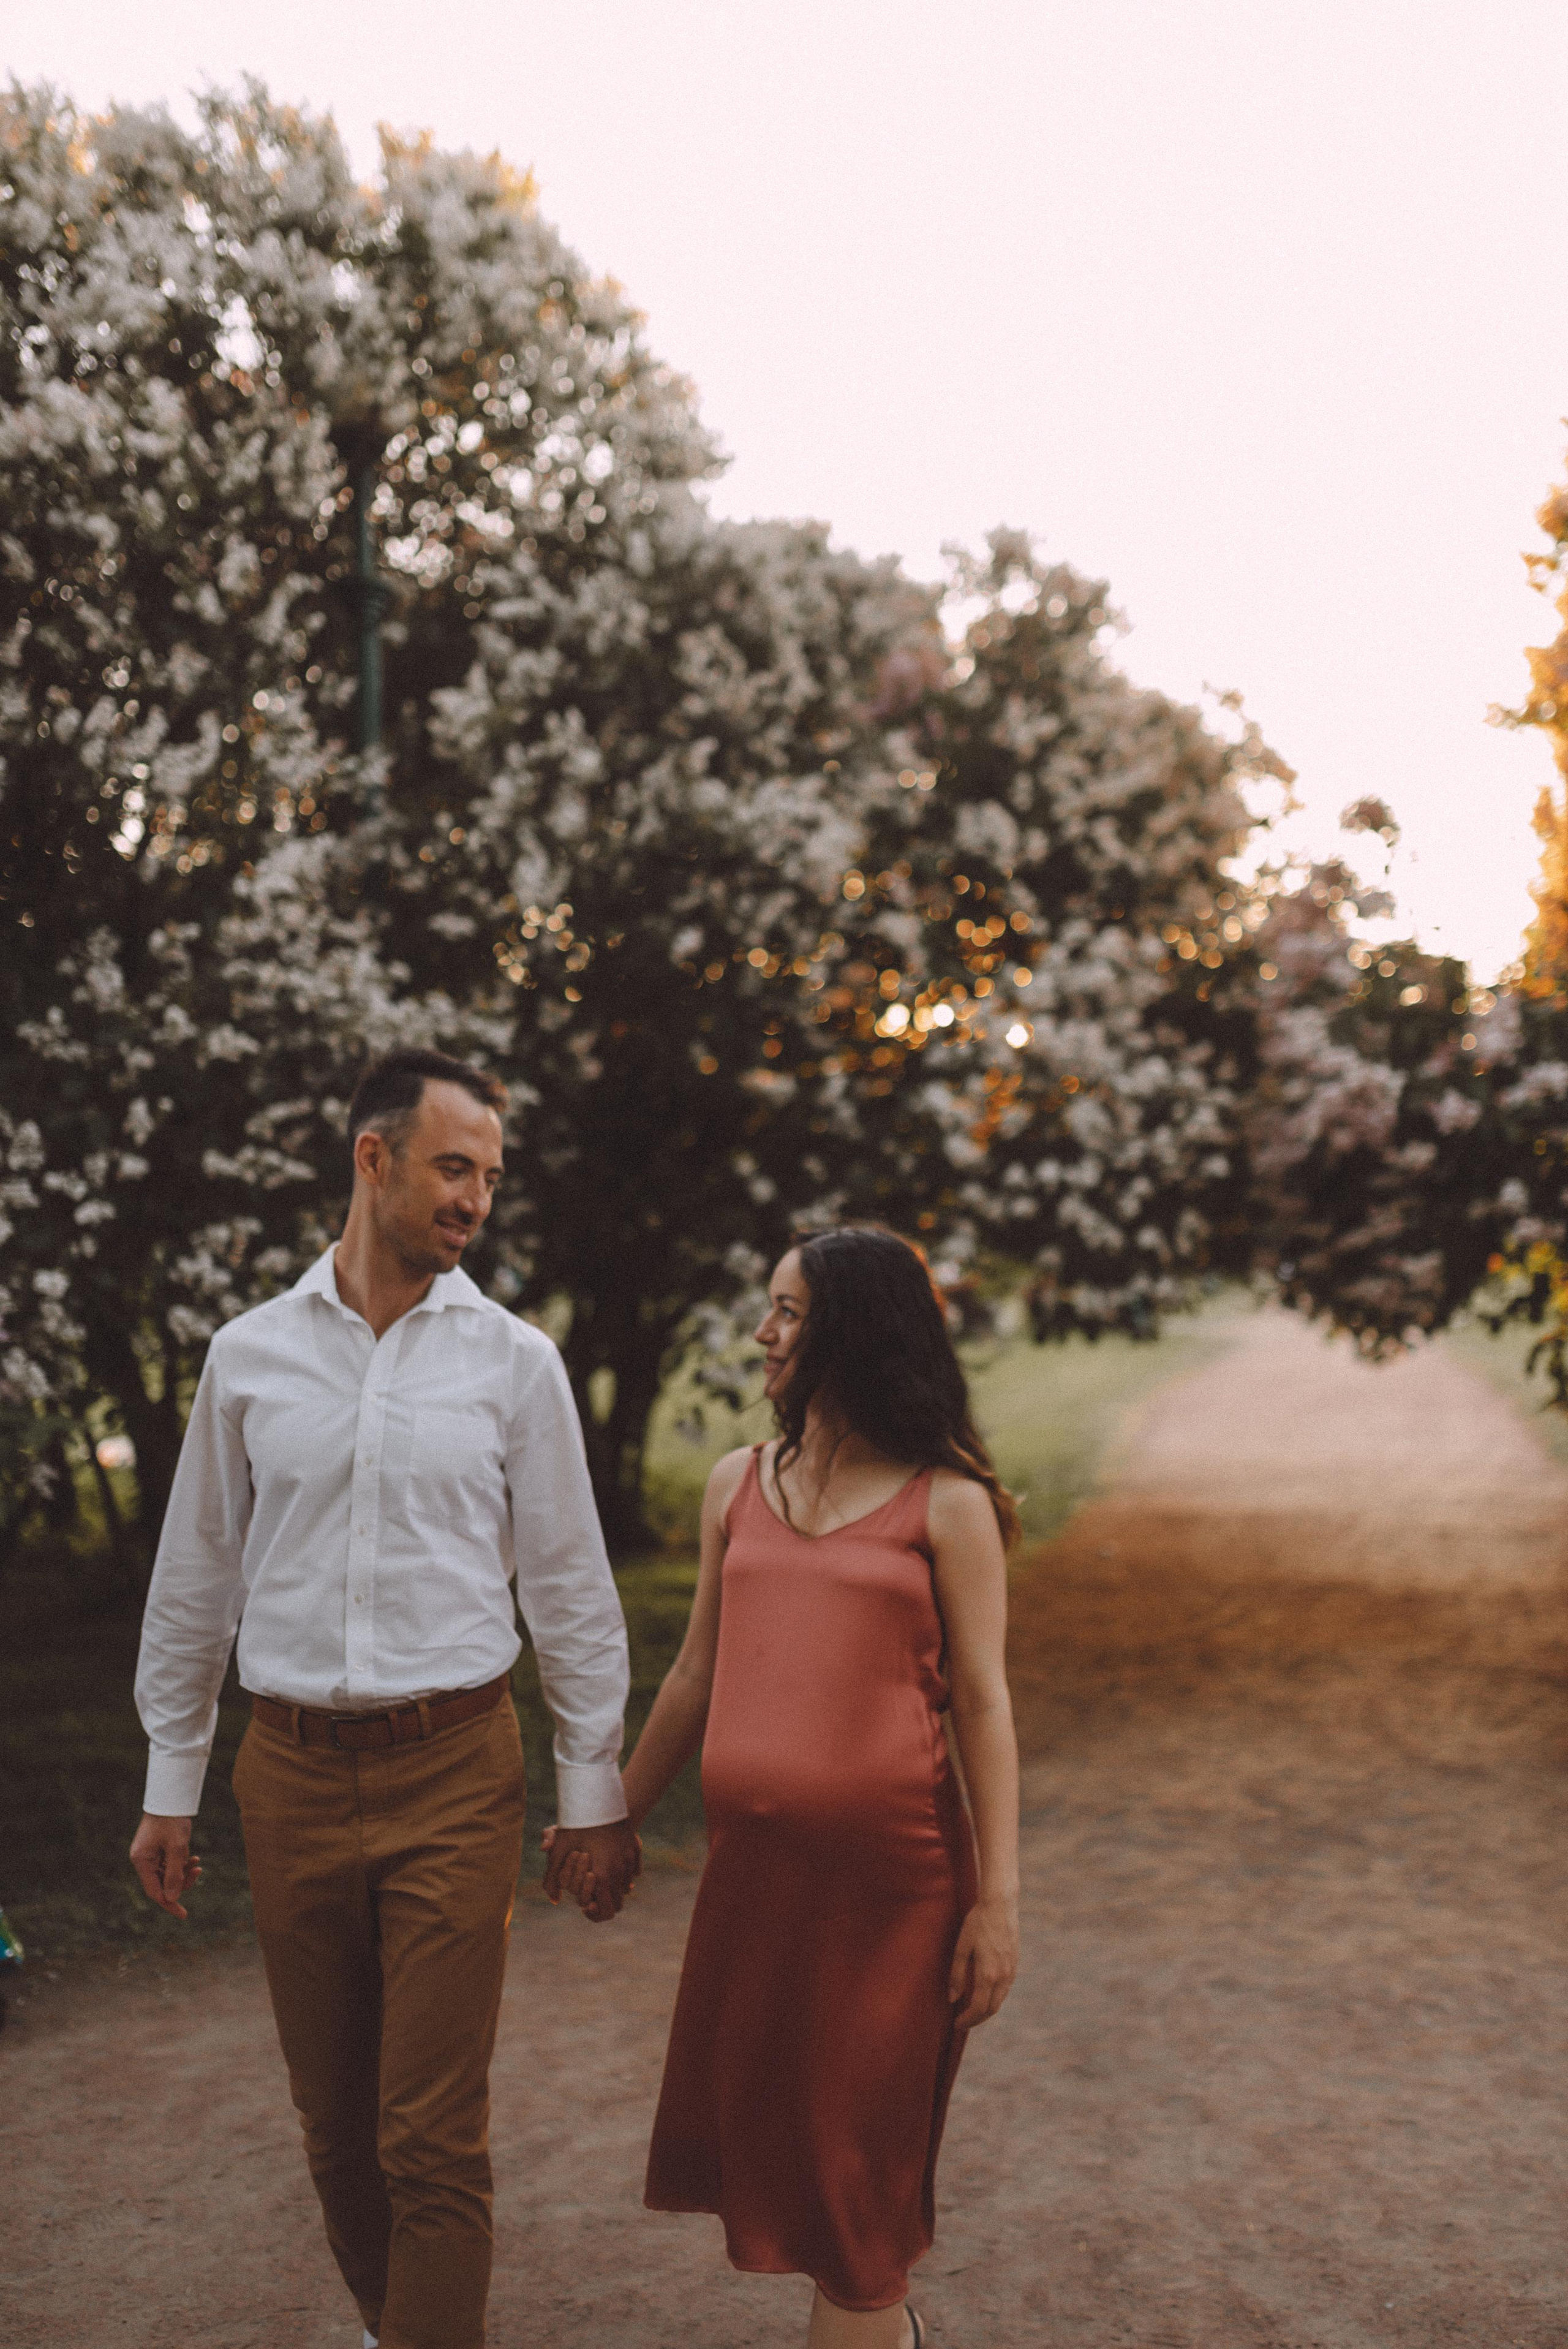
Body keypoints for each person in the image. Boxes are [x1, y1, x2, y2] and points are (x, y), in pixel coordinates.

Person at [129, 1048, 639, 2349]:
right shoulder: (248, 1356)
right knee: (336, 2131)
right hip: (289, 1776)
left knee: (430, 2132)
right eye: (453, 1168)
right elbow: (196, 1576)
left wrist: (592, 1791)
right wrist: (170, 1782)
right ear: (374, 1159)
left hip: (455, 1771)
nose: (475, 1199)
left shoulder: (515, 1364)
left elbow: (570, 1587)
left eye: (490, 1177)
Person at [556, 1225, 1022, 2349]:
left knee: (857, 2175)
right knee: (797, 2151)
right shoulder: (737, 1484)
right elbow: (694, 1673)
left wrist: (998, 1903)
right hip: (757, 1890)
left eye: (789, 1312)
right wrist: (610, 1815)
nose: (764, 1333)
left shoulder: (948, 1503)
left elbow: (984, 1702)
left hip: (896, 1898)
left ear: (852, 1331)